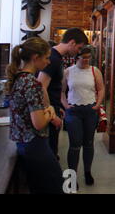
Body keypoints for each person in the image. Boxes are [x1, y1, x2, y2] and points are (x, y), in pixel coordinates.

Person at [5, 37, 63, 194]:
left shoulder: (18, 79)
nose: (48, 62)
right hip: (35, 145)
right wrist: (50, 111)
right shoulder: (33, 83)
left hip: (24, 144)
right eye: (46, 58)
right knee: (56, 186)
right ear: (35, 58)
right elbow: (38, 123)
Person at [37, 28, 88, 159]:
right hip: (48, 116)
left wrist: (58, 106)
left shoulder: (56, 57)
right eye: (79, 47)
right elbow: (40, 86)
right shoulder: (53, 58)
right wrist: (52, 115)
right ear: (72, 42)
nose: (78, 52)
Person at [61, 46, 104, 186]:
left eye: (88, 57)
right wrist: (66, 105)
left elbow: (101, 88)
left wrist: (98, 104)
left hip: (90, 110)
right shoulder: (68, 71)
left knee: (89, 143)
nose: (86, 60)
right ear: (76, 58)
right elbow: (61, 91)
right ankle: (72, 176)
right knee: (74, 144)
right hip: (73, 111)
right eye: (83, 57)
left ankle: (87, 172)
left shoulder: (94, 71)